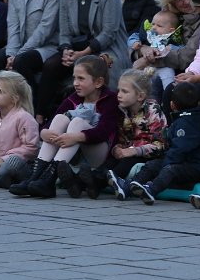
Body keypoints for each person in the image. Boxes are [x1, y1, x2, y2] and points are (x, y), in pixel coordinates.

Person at [10, 56, 119, 199]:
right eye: (74, 78)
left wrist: (77, 137)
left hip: (98, 153)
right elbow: (51, 122)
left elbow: (104, 131)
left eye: (81, 79)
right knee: (61, 118)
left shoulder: (110, 100)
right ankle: (35, 178)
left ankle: (49, 179)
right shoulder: (74, 98)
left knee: (77, 122)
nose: (75, 83)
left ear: (98, 82)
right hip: (73, 153)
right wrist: (44, 133)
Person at [41, 0, 129, 115]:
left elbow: (109, 33)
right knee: (51, 65)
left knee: (100, 64)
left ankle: (107, 114)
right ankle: (42, 116)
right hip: (77, 48)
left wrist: (83, 54)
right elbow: (64, 33)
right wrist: (66, 50)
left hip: (108, 49)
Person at [109, 81, 200, 204]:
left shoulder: (185, 124)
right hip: (184, 162)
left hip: (198, 167)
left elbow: (179, 150)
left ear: (172, 105)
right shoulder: (192, 117)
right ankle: (129, 185)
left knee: (169, 169)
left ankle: (151, 190)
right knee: (153, 164)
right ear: (198, 103)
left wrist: (164, 165)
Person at [106, 69, 167, 183]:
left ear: (140, 96)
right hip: (128, 153)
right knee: (108, 163)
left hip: (145, 156)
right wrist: (117, 149)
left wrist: (135, 151)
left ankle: (110, 182)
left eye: (124, 91)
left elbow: (160, 146)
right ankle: (86, 181)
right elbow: (123, 140)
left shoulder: (152, 110)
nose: (119, 95)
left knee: (124, 165)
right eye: (118, 90)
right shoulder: (122, 110)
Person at [132, 9, 184, 90]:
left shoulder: (173, 39)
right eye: (153, 24)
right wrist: (135, 42)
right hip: (147, 65)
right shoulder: (148, 34)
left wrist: (172, 48)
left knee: (168, 74)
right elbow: (133, 36)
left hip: (164, 66)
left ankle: (168, 94)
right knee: (138, 80)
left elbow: (182, 48)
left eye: (159, 26)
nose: (154, 28)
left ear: (171, 30)